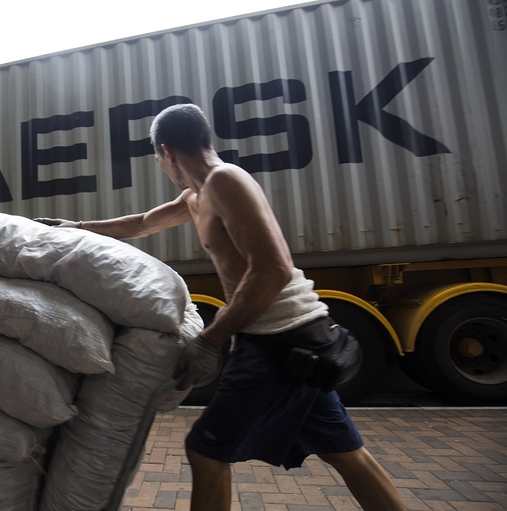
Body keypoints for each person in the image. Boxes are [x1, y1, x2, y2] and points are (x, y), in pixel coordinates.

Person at [35, 103, 405, 511]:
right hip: (296, 339)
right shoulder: (197, 195)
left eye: (158, 159)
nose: (161, 165)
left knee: (206, 450)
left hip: (282, 341)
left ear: (166, 152)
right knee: (344, 452)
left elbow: (274, 270)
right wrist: (77, 230)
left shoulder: (226, 181)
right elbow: (141, 223)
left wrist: (212, 338)